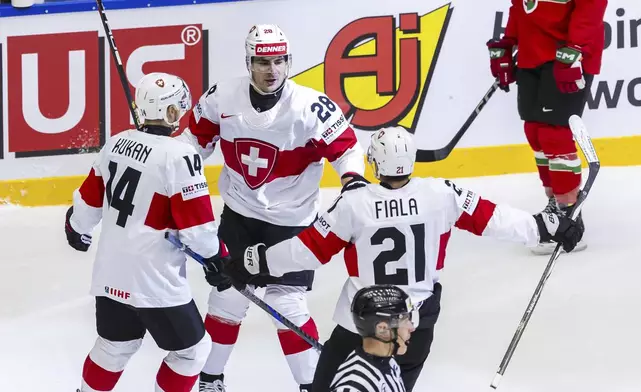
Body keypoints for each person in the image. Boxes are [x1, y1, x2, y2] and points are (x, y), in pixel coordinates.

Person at [221, 126, 585, 391]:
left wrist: (253, 261)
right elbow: (494, 219)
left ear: (375, 164)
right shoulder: (442, 193)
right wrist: (543, 227)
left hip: (359, 325)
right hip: (415, 327)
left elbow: (306, 250)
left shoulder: (355, 204)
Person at [174, 24, 366, 391]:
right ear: (249, 62)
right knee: (227, 298)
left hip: (293, 223)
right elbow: (192, 144)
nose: (272, 70)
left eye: (279, 61)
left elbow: (346, 149)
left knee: (287, 304)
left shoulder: (310, 106)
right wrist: (167, 162)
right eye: (263, 61)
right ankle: (210, 379)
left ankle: (312, 385)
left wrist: (353, 180)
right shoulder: (221, 98)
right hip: (240, 216)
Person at [65, 72, 226, 392]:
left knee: (113, 347)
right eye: (178, 107)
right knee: (193, 352)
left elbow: (86, 205)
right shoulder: (180, 156)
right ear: (168, 113)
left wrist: (76, 227)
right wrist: (218, 259)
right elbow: (197, 232)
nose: (181, 113)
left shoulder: (116, 143)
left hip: (110, 275)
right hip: (155, 282)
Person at [486, 0, 607, 254]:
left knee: (555, 134)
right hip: (532, 56)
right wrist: (510, 41)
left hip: (568, 55)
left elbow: (591, 6)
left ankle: (569, 215)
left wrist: (577, 46)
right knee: (535, 131)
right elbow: (522, 6)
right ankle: (555, 204)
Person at [330, 285, 413, 392]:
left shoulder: (389, 362)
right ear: (382, 329)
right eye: (405, 320)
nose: (411, 328)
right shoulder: (355, 386)